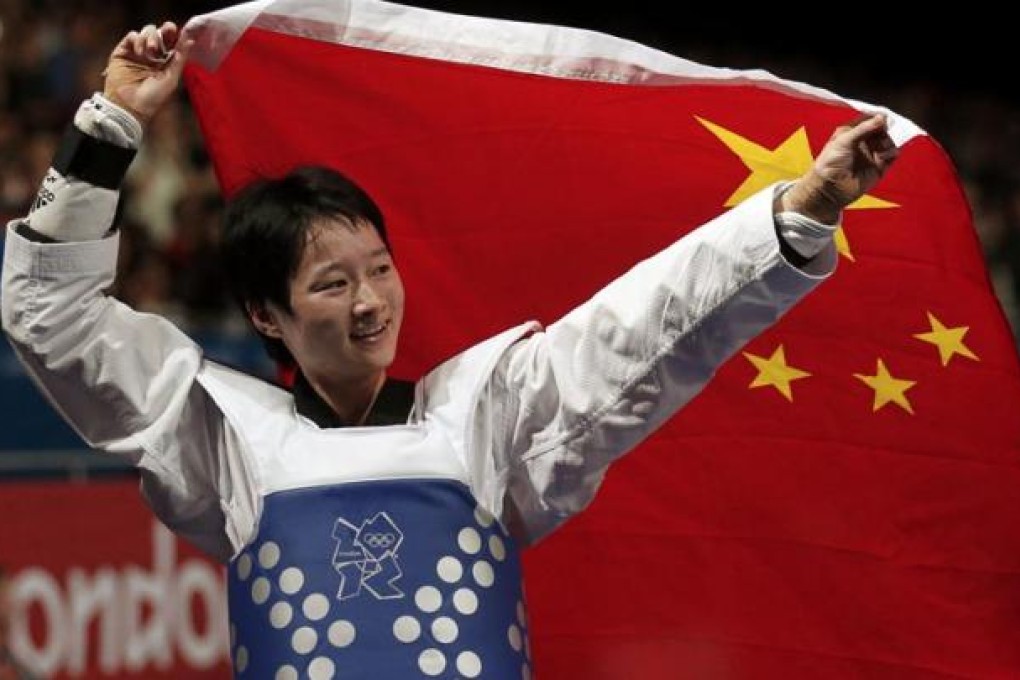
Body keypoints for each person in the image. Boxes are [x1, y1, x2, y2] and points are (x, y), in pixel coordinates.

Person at [0, 20, 897, 680]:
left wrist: (797, 211)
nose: (370, 303)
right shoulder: (224, 436)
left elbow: (646, 327)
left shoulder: (485, 415)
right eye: (331, 283)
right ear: (265, 316)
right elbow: (49, 315)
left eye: (379, 269)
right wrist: (112, 125)